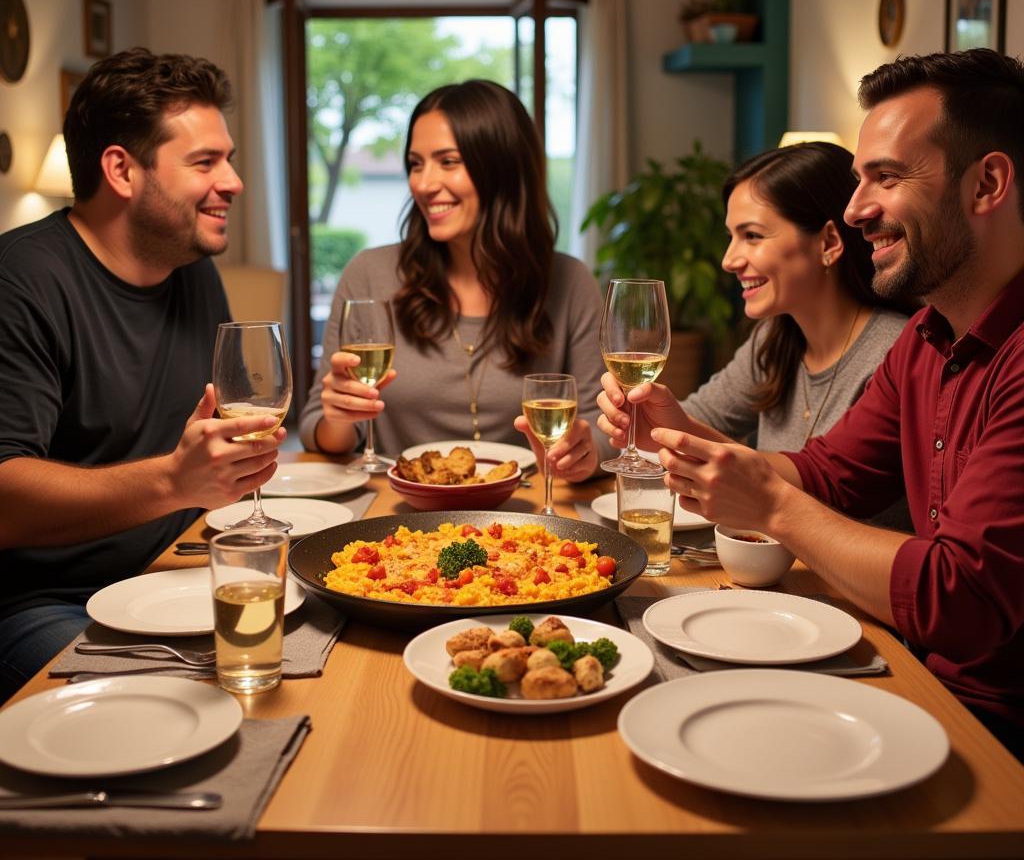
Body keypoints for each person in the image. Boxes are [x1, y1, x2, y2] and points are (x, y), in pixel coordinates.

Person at [599, 49, 1024, 759]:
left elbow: (963, 599)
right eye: (857, 181)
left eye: (884, 178)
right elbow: (829, 472)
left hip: (993, 729)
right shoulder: (927, 338)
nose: (855, 210)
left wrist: (771, 507)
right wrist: (684, 433)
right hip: (913, 676)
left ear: (987, 185)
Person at [0, 48, 284, 702]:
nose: (234, 182)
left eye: (230, 159)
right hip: (48, 603)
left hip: (175, 572)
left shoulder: (192, 270)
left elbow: (225, 425)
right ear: (122, 171)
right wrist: (171, 481)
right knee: (178, 710)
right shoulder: (24, 280)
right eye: (205, 162)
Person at [299, 79, 611, 479]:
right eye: (416, 163)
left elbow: (601, 432)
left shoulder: (571, 282)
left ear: (502, 169)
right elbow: (318, 430)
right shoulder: (368, 277)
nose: (425, 184)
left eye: (448, 162)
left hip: (525, 520)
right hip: (396, 516)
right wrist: (340, 414)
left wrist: (583, 452)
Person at [674, 142, 909, 476]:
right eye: (731, 237)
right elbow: (694, 419)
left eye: (752, 236)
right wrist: (596, 441)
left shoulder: (895, 352)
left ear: (828, 242)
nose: (729, 261)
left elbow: (831, 492)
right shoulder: (776, 338)